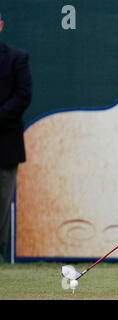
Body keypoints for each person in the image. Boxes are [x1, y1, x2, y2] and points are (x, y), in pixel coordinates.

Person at [0, 12, 32, 262]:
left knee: (1, 204)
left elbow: (22, 96)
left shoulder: (16, 58)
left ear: (1, 25)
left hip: (5, 145)